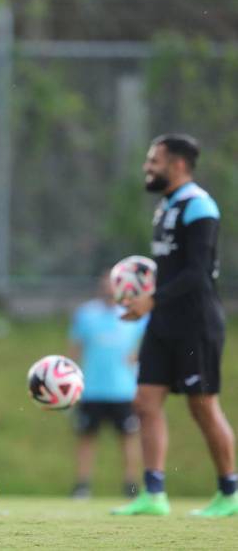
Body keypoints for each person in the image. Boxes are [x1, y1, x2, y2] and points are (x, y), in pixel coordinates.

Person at [114, 134, 237, 517]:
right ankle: (154, 494)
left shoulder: (199, 206)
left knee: (203, 407)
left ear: (179, 164)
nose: (147, 167)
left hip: (196, 324)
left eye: (155, 161)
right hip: (163, 320)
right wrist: (146, 303)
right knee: (145, 402)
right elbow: (168, 272)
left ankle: (229, 494)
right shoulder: (167, 205)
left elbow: (199, 273)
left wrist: (152, 299)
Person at [69, 272, 146, 499]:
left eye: (113, 285)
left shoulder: (133, 314)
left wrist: (139, 361)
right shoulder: (86, 314)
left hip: (123, 391)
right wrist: (71, 383)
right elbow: (75, 350)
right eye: (105, 284)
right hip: (91, 390)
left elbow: (148, 344)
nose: (109, 289)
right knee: (86, 438)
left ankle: (131, 486)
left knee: (128, 439)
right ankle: (82, 486)